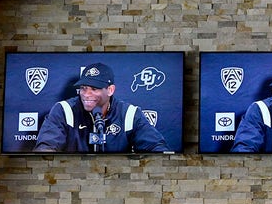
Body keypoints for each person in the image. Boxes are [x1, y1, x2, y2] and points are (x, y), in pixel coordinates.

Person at [34, 62, 170, 153]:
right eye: (83, 88)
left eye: (94, 89)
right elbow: (46, 148)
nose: (86, 94)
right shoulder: (64, 110)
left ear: (110, 90)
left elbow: (156, 148)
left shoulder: (129, 113)